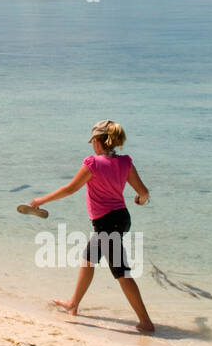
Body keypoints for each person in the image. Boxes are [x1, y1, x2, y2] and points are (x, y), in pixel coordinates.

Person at [29, 119, 155, 333]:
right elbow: (144, 193)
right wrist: (140, 200)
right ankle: (73, 304)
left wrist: (42, 200)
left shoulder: (93, 164)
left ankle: (146, 322)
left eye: (92, 142)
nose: (92, 146)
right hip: (121, 218)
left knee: (121, 272)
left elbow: (70, 189)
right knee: (88, 259)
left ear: (98, 141)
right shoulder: (125, 162)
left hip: (107, 223)